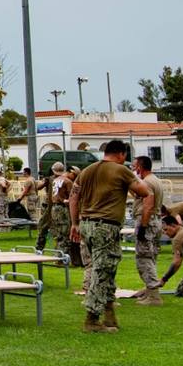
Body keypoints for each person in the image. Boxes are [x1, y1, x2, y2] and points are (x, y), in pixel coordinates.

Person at [70, 140, 152, 333]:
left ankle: (109, 314)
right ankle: (92, 319)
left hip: (86, 224)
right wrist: (130, 180)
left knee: (107, 269)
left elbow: (73, 197)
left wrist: (74, 223)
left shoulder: (87, 170)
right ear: (121, 154)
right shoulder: (120, 170)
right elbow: (144, 191)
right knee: (101, 271)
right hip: (105, 226)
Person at [131, 155, 166, 306]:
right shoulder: (155, 180)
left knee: (144, 257)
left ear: (140, 167)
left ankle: (154, 296)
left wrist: (143, 227)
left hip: (148, 220)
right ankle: (150, 291)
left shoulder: (146, 182)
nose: (133, 169)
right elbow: (139, 196)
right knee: (151, 257)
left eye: (134, 166)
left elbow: (148, 205)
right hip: (156, 220)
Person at [34, 165, 56, 250]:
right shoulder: (61, 179)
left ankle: (39, 247)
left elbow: (38, 187)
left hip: (49, 204)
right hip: (53, 204)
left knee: (43, 228)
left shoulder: (48, 179)